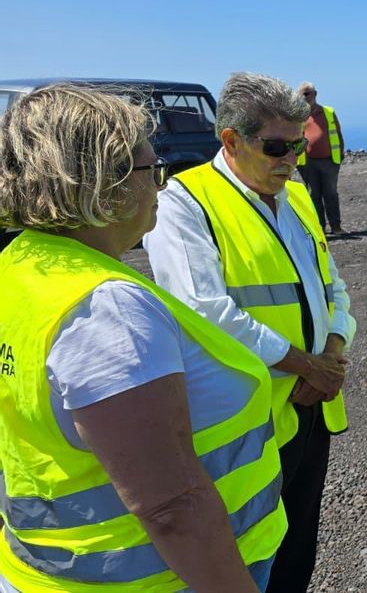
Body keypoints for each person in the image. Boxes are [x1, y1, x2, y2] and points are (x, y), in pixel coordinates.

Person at [0, 84, 286, 592]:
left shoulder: (21, 265)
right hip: (159, 579)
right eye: (153, 171)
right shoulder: (107, 311)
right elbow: (173, 506)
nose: (162, 185)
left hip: (48, 569)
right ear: (105, 183)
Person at [144, 72, 357, 593]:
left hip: (310, 404)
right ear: (231, 140)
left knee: (298, 543)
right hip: (246, 421)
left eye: (298, 146)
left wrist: (332, 353)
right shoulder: (185, 203)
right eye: (277, 147)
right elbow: (204, 310)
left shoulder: (297, 197)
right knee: (248, 554)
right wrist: (307, 365)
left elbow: (333, 287)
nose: (291, 160)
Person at [297, 81, 347, 235]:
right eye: (302, 95)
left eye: (307, 94)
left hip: (329, 161)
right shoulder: (297, 116)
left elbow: (338, 133)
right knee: (314, 195)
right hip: (307, 163)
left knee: (330, 194)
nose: (305, 97)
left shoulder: (328, 112)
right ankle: (319, 228)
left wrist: (340, 155)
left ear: (315, 94)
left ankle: (336, 226)